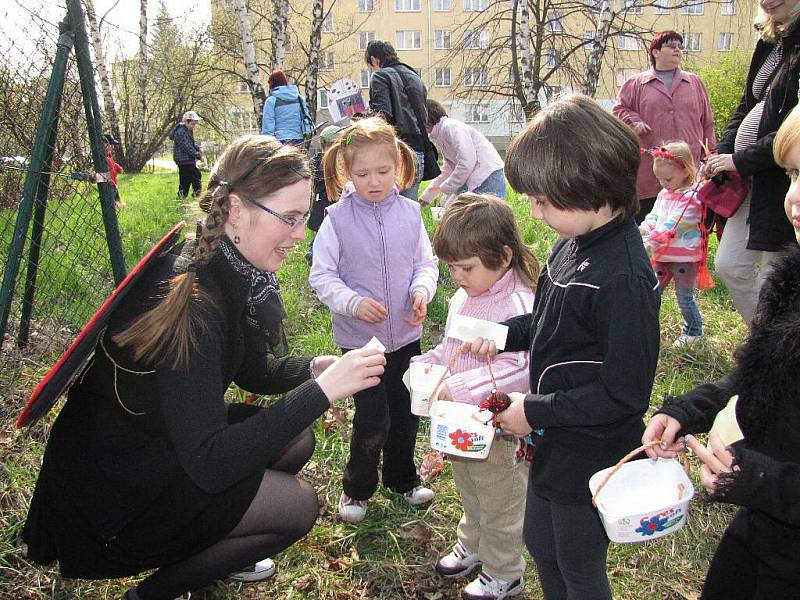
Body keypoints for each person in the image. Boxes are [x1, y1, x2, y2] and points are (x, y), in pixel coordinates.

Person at [22, 136, 387, 600]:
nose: (301, 234)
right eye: (291, 219)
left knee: (297, 438)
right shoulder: (193, 302)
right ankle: (152, 593)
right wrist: (323, 391)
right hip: (111, 496)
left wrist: (313, 369)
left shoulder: (224, 265)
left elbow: (252, 368)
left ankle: (205, 548)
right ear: (236, 209)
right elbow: (211, 463)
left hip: (155, 448)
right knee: (297, 506)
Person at [462, 95, 661, 600]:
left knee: (576, 556)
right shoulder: (571, 245)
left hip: (592, 446)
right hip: (556, 434)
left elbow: (623, 394)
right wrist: (508, 333)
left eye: (544, 201)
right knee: (541, 541)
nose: (534, 211)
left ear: (590, 188)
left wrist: (534, 409)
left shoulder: (623, 280)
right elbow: (551, 320)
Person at [641, 103, 800, 600]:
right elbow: (760, 374)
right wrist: (689, 411)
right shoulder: (793, 282)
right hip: (764, 527)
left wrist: (757, 477)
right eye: (793, 175)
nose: (793, 198)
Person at [309, 117, 439, 523]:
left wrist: (422, 291)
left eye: (383, 171)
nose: (374, 181)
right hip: (361, 341)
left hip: (406, 333)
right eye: (362, 173)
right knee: (372, 417)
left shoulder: (410, 213)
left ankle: (402, 479)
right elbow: (322, 274)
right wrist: (351, 302)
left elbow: (425, 264)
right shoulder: (337, 219)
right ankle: (358, 487)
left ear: (399, 166)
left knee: (406, 411)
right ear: (346, 171)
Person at [412, 194, 538, 600]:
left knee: (501, 497)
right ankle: (474, 543)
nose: (456, 277)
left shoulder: (518, 302)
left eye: (465, 267)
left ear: (502, 257)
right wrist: (426, 365)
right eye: (450, 268)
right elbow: (452, 349)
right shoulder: (465, 296)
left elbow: (523, 369)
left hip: (499, 428)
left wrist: (462, 388)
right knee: (468, 483)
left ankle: (505, 571)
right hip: (460, 423)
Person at [704, 0, 800, 326]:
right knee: (730, 266)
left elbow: (791, 130)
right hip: (749, 181)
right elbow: (746, 105)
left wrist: (740, 159)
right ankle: (765, 347)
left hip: (786, 182)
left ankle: (774, 362)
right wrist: (722, 152)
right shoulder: (770, 42)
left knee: (773, 281)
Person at [612, 31, 716, 224]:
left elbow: (708, 121)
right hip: (650, 173)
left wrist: (711, 155)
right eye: (671, 46)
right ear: (656, 52)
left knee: (686, 227)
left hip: (688, 171)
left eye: (679, 46)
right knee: (648, 226)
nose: (677, 50)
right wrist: (634, 121)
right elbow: (619, 109)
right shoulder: (637, 83)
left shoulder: (694, 82)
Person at [639, 142, 705, 347]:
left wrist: (659, 234)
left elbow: (678, 221)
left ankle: (694, 331)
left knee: (684, 297)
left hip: (684, 257)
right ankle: (644, 328)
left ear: (685, 170)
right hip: (662, 254)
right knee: (653, 291)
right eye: (659, 179)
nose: (663, 183)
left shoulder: (691, 196)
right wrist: (645, 227)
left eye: (667, 178)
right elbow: (655, 214)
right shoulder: (663, 194)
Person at [364, 40, 436, 201]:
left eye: (369, 66)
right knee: (407, 212)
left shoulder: (380, 76)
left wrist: (362, 121)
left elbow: (382, 116)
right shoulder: (415, 76)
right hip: (418, 153)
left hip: (395, 152)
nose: (370, 71)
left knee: (385, 212)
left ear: (375, 60)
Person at [418, 100, 506, 208]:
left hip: (488, 176)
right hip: (477, 176)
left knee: (487, 219)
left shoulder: (450, 128)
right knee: (451, 210)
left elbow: (466, 162)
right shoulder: (441, 133)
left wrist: (447, 188)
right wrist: (428, 196)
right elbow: (448, 169)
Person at [306, 124, 344, 265]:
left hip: (319, 207)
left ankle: (314, 251)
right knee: (328, 235)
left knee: (322, 234)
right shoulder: (339, 164)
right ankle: (315, 252)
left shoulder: (314, 163)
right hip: (333, 208)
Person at [261, 69, 313, 147]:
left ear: (272, 83)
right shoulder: (299, 98)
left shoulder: (271, 101)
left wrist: (266, 144)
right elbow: (306, 117)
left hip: (279, 141)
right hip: (298, 139)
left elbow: (268, 125)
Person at [169, 110, 203, 198]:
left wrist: (197, 148)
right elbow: (186, 147)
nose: (194, 126)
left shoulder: (188, 130)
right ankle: (196, 195)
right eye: (193, 123)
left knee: (186, 179)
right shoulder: (180, 132)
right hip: (183, 159)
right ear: (186, 122)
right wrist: (197, 155)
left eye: (195, 123)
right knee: (195, 175)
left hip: (187, 159)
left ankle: (183, 197)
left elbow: (191, 143)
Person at [103, 133, 125, 210]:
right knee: (111, 199)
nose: (110, 147)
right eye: (109, 145)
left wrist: (117, 166)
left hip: (114, 182)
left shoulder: (108, 155)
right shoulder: (103, 157)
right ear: (104, 145)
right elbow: (106, 168)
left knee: (116, 195)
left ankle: (120, 205)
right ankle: (114, 208)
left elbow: (112, 163)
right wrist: (110, 180)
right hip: (109, 183)